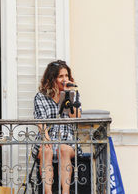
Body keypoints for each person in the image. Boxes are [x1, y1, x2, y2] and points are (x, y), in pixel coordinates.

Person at [31, 60, 81, 194]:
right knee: (47, 150)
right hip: (48, 136)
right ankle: (48, 192)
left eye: (66, 76)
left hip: (67, 138)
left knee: (63, 149)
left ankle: (65, 192)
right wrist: (46, 139)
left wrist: (68, 97)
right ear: (52, 78)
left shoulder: (72, 94)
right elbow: (40, 120)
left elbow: (76, 117)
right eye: (61, 76)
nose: (64, 79)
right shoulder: (41, 97)